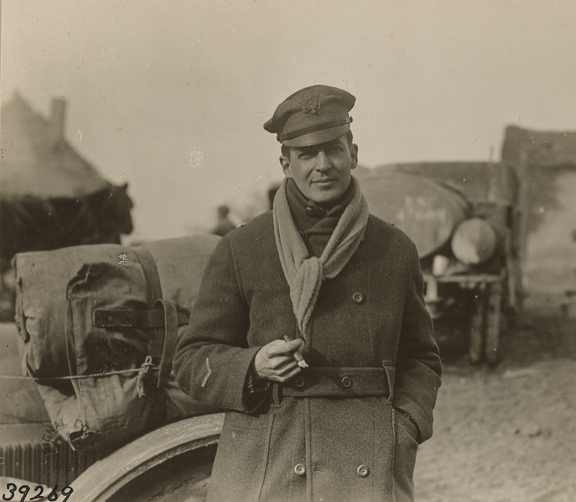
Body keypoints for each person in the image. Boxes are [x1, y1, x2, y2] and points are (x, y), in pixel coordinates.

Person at [173, 85, 442, 502]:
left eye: (333, 149)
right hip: (267, 458)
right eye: (306, 154)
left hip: (367, 457)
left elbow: (421, 357)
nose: (323, 166)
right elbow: (191, 360)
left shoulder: (394, 249)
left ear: (353, 153)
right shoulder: (243, 247)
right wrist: (253, 365)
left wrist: (405, 425)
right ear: (285, 163)